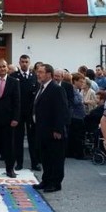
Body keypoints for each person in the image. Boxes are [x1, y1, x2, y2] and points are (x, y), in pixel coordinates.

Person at [32, 63, 68, 193]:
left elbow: (61, 110)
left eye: (41, 72)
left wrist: (58, 129)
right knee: (45, 157)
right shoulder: (41, 87)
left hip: (53, 131)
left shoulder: (56, 89)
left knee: (55, 157)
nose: (38, 74)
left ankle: (55, 182)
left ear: (49, 74)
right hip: (42, 129)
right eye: (38, 72)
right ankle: (46, 180)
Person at [10, 54, 40, 171]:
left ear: (29, 63)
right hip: (18, 113)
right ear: (19, 62)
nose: (24, 64)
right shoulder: (13, 76)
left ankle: (35, 163)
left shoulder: (34, 77)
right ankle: (19, 163)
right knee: (18, 138)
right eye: (22, 62)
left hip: (31, 112)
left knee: (33, 139)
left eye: (26, 62)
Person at [67, 72, 87, 159]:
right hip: (75, 116)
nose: (82, 84)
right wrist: (81, 100)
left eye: (83, 82)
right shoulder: (72, 90)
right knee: (77, 136)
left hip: (78, 115)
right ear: (75, 81)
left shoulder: (78, 91)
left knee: (76, 135)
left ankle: (73, 152)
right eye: (80, 81)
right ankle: (78, 154)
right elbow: (75, 101)